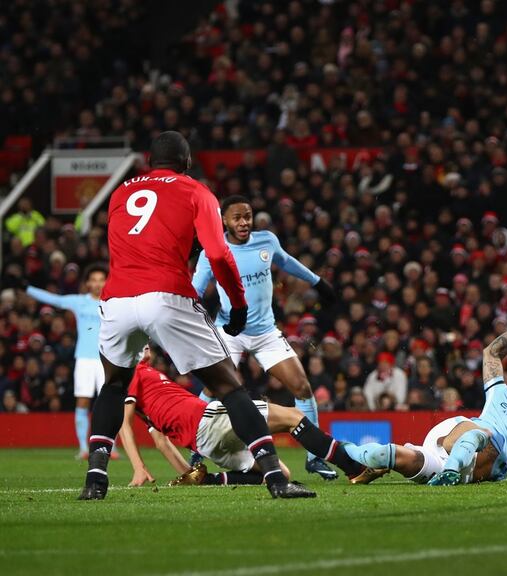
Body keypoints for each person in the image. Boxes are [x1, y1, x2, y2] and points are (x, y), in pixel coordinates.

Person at [79, 131, 312, 500]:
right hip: (167, 294)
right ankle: (276, 478)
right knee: (229, 388)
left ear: (150, 161)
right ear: (187, 161)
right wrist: (237, 305)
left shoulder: (121, 192)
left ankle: (95, 480)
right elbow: (218, 255)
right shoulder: (196, 191)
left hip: (118, 298)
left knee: (112, 386)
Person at [338, 310, 507, 486]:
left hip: (465, 469)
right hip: (457, 435)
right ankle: (329, 448)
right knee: (485, 432)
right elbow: (491, 353)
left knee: (381, 454)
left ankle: (346, 454)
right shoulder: (499, 393)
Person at [191, 195, 338, 480]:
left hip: (266, 332)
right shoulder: (213, 250)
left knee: (302, 387)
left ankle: (314, 457)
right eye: (237, 217)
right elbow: (196, 290)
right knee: (211, 391)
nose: (244, 222)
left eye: (247, 216)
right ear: (224, 221)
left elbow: (287, 261)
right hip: (230, 331)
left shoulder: (266, 241)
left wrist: (317, 282)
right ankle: (195, 448)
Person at [116, 347, 371, 487]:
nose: (146, 344)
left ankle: (211, 482)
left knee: (279, 473)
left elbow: (161, 441)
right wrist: (139, 467)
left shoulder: (148, 395)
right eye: (139, 343)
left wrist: (189, 474)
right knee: (293, 417)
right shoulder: (132, 373)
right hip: (211, 420)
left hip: (206, 444)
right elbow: (123, 426)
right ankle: (354, 469)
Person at [19, 265, 110, 458]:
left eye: (100, 279)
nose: (96, 284)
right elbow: (56, 300)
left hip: (107, 359)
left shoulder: (113, 301)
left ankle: (111, 447)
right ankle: (84, 448)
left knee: (108, 403)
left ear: (106, 281)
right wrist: (28, 288)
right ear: (87, 283)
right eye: (93, 280)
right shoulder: (79, 302)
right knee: (83, 401)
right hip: (84, 358)